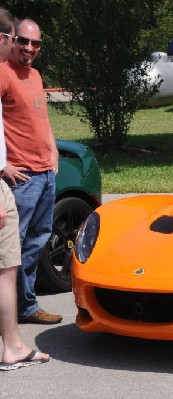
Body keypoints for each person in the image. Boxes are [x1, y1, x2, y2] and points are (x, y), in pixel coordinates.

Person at [0, 18, 62, 324]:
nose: (28, 48)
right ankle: (18, 308)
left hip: (45, 172)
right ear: (12, 40)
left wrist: (53, 152)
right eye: (22, 41)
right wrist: (2, 165)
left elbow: (42, 120)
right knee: (15, 246)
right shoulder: (3, 72)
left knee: (37, 242)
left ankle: (25, 307)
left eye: (35, 43)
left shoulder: (35, 75)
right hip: (21, 176)